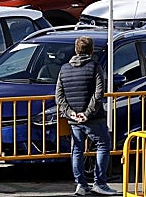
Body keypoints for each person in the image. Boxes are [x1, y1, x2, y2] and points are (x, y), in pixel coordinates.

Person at [55, 36, 117, 196]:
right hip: (93, 118)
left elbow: (59, 96)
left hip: (73, 118)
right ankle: (100, 183)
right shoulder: (94, 66)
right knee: (103, 145)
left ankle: (80, 185)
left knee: (76, 150)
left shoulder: (64, 69)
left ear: (76, 49)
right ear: (91, 50)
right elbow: (99, 93)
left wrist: (71, 113)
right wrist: (87, 113)